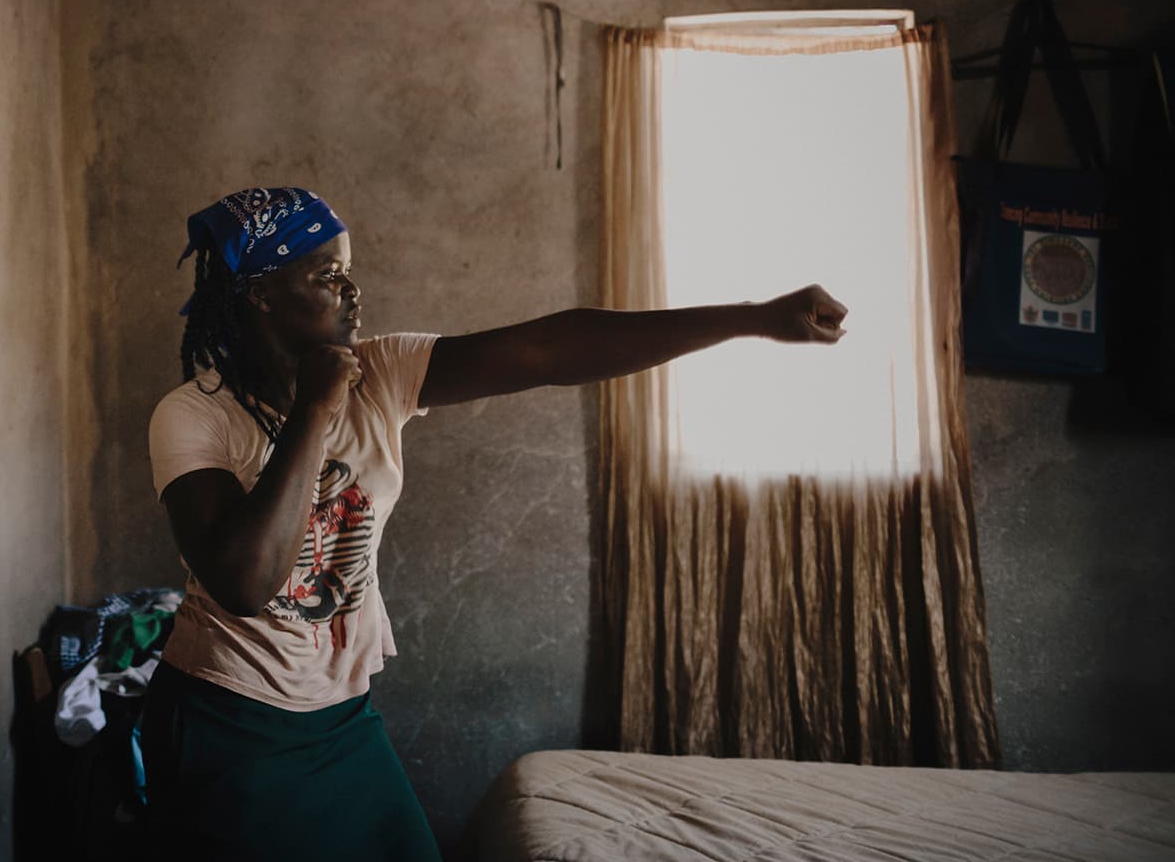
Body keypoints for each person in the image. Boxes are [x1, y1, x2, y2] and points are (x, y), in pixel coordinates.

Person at [140, 187, 847, 860]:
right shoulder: (195, 416)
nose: (352, 292)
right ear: (262, 293)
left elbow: (549, 351)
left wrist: (752, 319)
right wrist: (318, 410)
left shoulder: (380, 373)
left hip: (340, 717)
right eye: (327, 275)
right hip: (227, 722)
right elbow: (243, 581)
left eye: (350, 272)